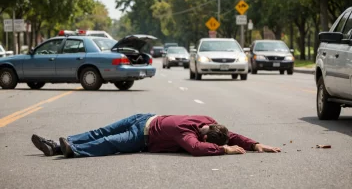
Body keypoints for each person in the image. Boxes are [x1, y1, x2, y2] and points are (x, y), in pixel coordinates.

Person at [31, 113, 281, 158]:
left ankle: (70, 149)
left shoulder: (200, 130)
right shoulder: (199, 128)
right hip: (141, 119)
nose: (203, 129)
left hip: (141, 135)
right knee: (101, 132)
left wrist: (251, 145)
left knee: (107, 142)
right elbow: (228, 135)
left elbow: (227, 135)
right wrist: (254, 145)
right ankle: (62, 144)